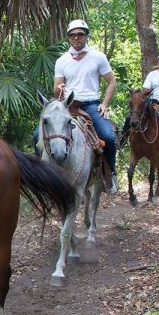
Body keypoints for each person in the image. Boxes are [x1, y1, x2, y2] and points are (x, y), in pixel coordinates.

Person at [52, 19, 119, 193]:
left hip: (91, 105)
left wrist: (105, 104)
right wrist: (58, 90)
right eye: (72, 35)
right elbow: (56, 89)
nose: (76, 37)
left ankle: (110, 174)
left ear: (86, 36)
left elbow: (111, 82)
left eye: (80, 34)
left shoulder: (98, 57)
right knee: (38, 135)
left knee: (108, 137)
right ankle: (46, 176)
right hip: (67, 105)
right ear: (68, 38)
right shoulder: (62, 60)